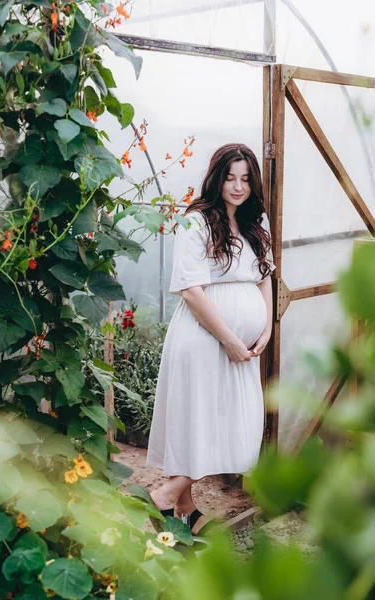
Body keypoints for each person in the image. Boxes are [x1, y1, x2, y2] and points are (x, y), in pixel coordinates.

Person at [146, 143, 276, 534]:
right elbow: (190, 290)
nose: (238, 187)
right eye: (230, 178)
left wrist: (266, 327)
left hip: (241, 347)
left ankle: (186, 513)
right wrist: (231, 340)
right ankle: (165, 497)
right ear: (217, 179)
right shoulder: (197, 220)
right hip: (203, 340)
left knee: (234, 422)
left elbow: (264, 276)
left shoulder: (257, 222)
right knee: (204, 423)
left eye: (246, 179)